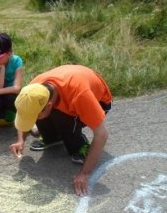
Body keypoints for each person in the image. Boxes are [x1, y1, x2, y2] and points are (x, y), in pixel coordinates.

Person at [9, 65, 112, 197]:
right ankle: (53, 138)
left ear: (49, 105)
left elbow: (102, 134)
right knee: (44, 113)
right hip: (68, 90)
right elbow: (25, 112)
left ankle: (80, 146)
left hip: (99, 101)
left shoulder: (79, 95)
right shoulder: (33, 90)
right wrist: (20, 140)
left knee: (63, 118)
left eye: (34, 117)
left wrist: (84, 174)